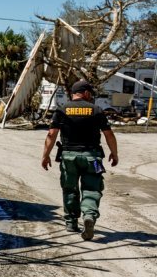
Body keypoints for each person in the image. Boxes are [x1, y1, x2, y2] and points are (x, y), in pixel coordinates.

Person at [41, 79, 119, 240]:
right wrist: (114, 153)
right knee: (92, 189)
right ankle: (89, 216)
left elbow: (51, 134)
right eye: (90, 93)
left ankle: (71, 223)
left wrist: (45, 155)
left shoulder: (62, 110)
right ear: (86, 93)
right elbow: (108, 134)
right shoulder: (96, 110)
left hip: (69, 157)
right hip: (93, 157)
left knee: (70, 189)